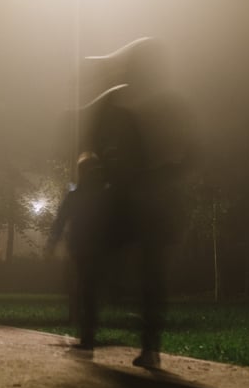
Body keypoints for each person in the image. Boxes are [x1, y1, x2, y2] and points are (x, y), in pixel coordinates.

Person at [78, 37, 201, 370]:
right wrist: (92, 163)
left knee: (148, 273)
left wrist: (166, 173)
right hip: (125, 198)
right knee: (100, 263)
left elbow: (194, 152)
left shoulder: (169, 104)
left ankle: (146, 346)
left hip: (151, 199)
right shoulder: (116, 100)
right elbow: (87, 141)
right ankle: (93, 336)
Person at [45, 153, 111, 357]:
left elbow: (60, 220)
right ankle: (87, 330)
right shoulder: (100, 193)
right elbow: (61, 219)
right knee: (86, 288)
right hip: (90, 248)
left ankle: (87, 333)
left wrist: (52, 243)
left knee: (85, 288)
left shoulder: (80, 194)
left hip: (85, 248)